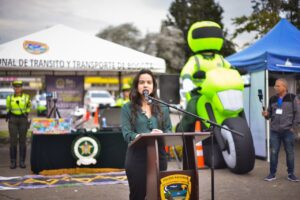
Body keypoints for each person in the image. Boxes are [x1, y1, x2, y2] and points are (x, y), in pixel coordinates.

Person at [121, 69, 172, 199]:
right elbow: (127, 133)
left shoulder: (163, 107)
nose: (145, 85)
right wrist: (138, 136)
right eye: (142, 82)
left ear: (154, 86)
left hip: (158, 157)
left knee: (158, 194)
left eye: (149, 82)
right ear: (136, 86)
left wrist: (162, 133)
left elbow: (169, 130)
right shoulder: (127, 108)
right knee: (138, 195)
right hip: (137, 157)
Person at [178, 21, 232, 131]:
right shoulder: (195, 59)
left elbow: (231, 68)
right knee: (191, 110)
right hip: (199, 93)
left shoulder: (220, 59)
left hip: (219, 93)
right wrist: (187, 79)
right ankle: (182, 131)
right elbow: (187, 70)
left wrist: (240, 73)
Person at [262, 78, 299, 182]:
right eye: (275, 85)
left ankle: (291, 174)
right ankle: (272, 174)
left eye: (278, 86)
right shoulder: (272, 98)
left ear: (284, 87)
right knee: (273, 152)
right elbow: (269, 115)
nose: (275, 87)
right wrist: (266, 115)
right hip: (274, 131)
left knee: (290, 153)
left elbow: (297, 113)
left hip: (288, 131)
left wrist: (293, 127)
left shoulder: (292, 97)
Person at [6, 80, 31, 169]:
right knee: (13, 142)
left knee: (22, 141)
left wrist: (26, 113)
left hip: (23, 119)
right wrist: (8, 114)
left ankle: (22, 162)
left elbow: (29, 106)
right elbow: (8, 107)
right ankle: (13, 162)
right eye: (15, 87)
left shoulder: (26, 97)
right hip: (13, 120)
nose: (17, 88)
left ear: (21, 88)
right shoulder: (9, 98)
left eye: (19, 87)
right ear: (13, 88)